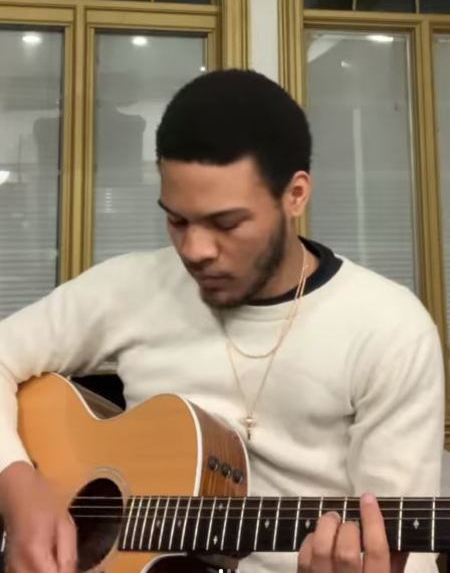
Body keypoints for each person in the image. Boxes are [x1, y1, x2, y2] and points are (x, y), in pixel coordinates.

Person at [0, 69, 444, 573]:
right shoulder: (128, 287)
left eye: (226, 223)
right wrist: (17, 484)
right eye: (177, 219)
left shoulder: (389, 328)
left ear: (295, 195)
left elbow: (404, 555)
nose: (195, 250)